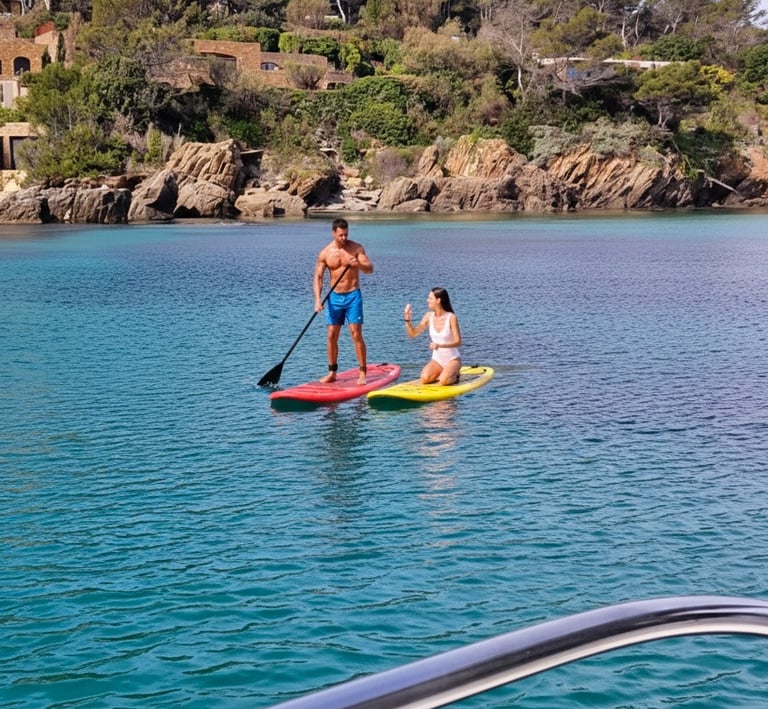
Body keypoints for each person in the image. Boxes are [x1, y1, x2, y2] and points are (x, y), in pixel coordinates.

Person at [314, 218, 374, 385]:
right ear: (333, 233)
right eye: (340, 235)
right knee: (332, 335)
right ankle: (332, 373)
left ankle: (362, 373)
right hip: (334, 297)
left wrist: (359, 265)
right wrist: (318, 300)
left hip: (353, 295)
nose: (344, 238)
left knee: (356, 333)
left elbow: (370, 269)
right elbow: (318, 278)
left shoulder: (356, 248)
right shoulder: (325, 253)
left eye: (346, 234)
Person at [403, 287, 462, 385]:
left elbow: (458, 342)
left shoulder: (451, 317)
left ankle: (455, 375)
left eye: (430, 298)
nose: (427, 300)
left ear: (438, 300)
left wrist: (439, 345)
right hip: (437, 360)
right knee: (425, 379)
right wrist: (407, 320)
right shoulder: (428, 316)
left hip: (452, 359)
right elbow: (412, 334)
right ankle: (443, 372)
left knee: (444, 381)